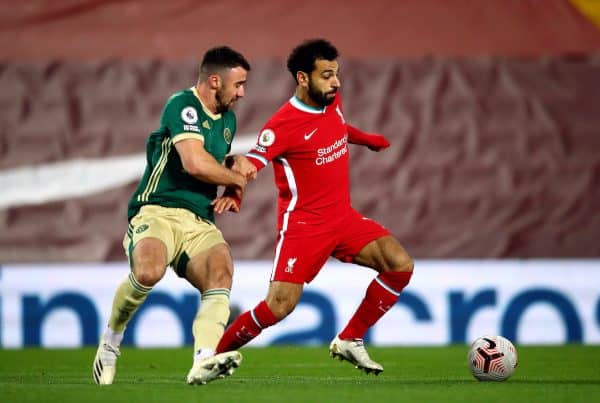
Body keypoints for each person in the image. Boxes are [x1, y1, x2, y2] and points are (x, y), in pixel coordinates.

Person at [213, 39, 414, 375]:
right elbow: (251, 163)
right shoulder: (281, 126)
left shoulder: (331, 102)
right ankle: (212, 356)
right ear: (303, 78)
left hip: (344, 219)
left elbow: (336, 128)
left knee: (399, 265)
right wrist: (234, 190)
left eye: (336, 74)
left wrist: (365, 139)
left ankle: (350, 339)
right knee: (278, 307)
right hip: (304, 229)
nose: (336, 82)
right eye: (326, 75)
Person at [92, 46, 257, 386]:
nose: (242, 92)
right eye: (238, 84)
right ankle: (110, 342)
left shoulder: (227, 119)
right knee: (149, 271)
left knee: (221, 272)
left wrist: (233, 178)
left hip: (198, 220)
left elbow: (214, 162)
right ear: (215, 80)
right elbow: (194, 163)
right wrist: (239, 177)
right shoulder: (182, 105)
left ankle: (203, 359)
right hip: (158, 209)